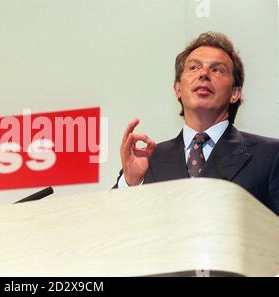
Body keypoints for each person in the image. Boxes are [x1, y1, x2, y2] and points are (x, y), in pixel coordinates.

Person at [113, 32, 279, 215]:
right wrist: (131, 182)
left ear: (235, 93)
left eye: (217, 70)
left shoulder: (270, 156)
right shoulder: (149, 160)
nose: (204, 74)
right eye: (194, 67)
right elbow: (111, 228)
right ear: (178, 89)